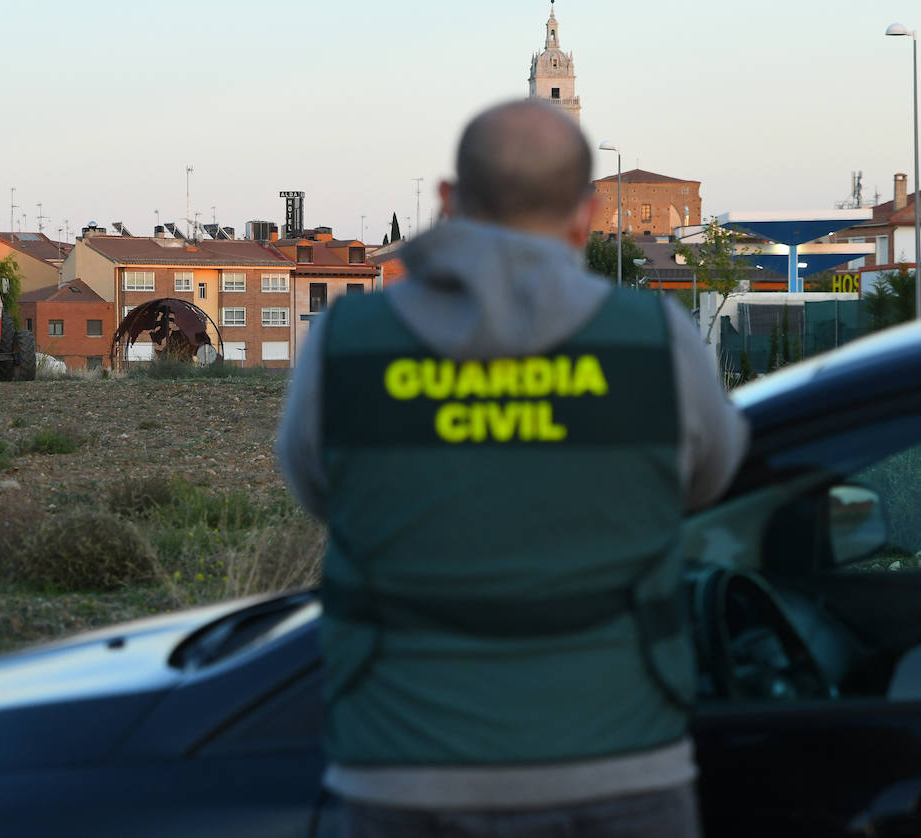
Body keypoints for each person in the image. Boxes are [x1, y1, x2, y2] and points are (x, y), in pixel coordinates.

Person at [276, 100, 749, 838]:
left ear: (446, 202)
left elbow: (320, 490)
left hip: (403, 766)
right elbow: (711, 482)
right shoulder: (656, 340)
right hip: (618, 759)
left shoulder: (347, 341)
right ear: (588, 213)